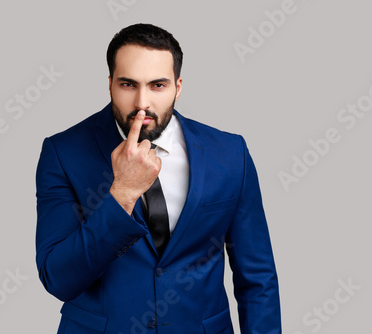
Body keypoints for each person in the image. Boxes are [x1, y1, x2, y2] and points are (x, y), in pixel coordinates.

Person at [35, 23, 281, 334]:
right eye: (128, 84)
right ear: (110, 83)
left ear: (178, 86)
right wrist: (122, 194)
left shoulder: (231, 153)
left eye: (157, 86)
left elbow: (258, 278)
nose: (142, 103)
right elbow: (58, 278)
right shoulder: (62, 152)